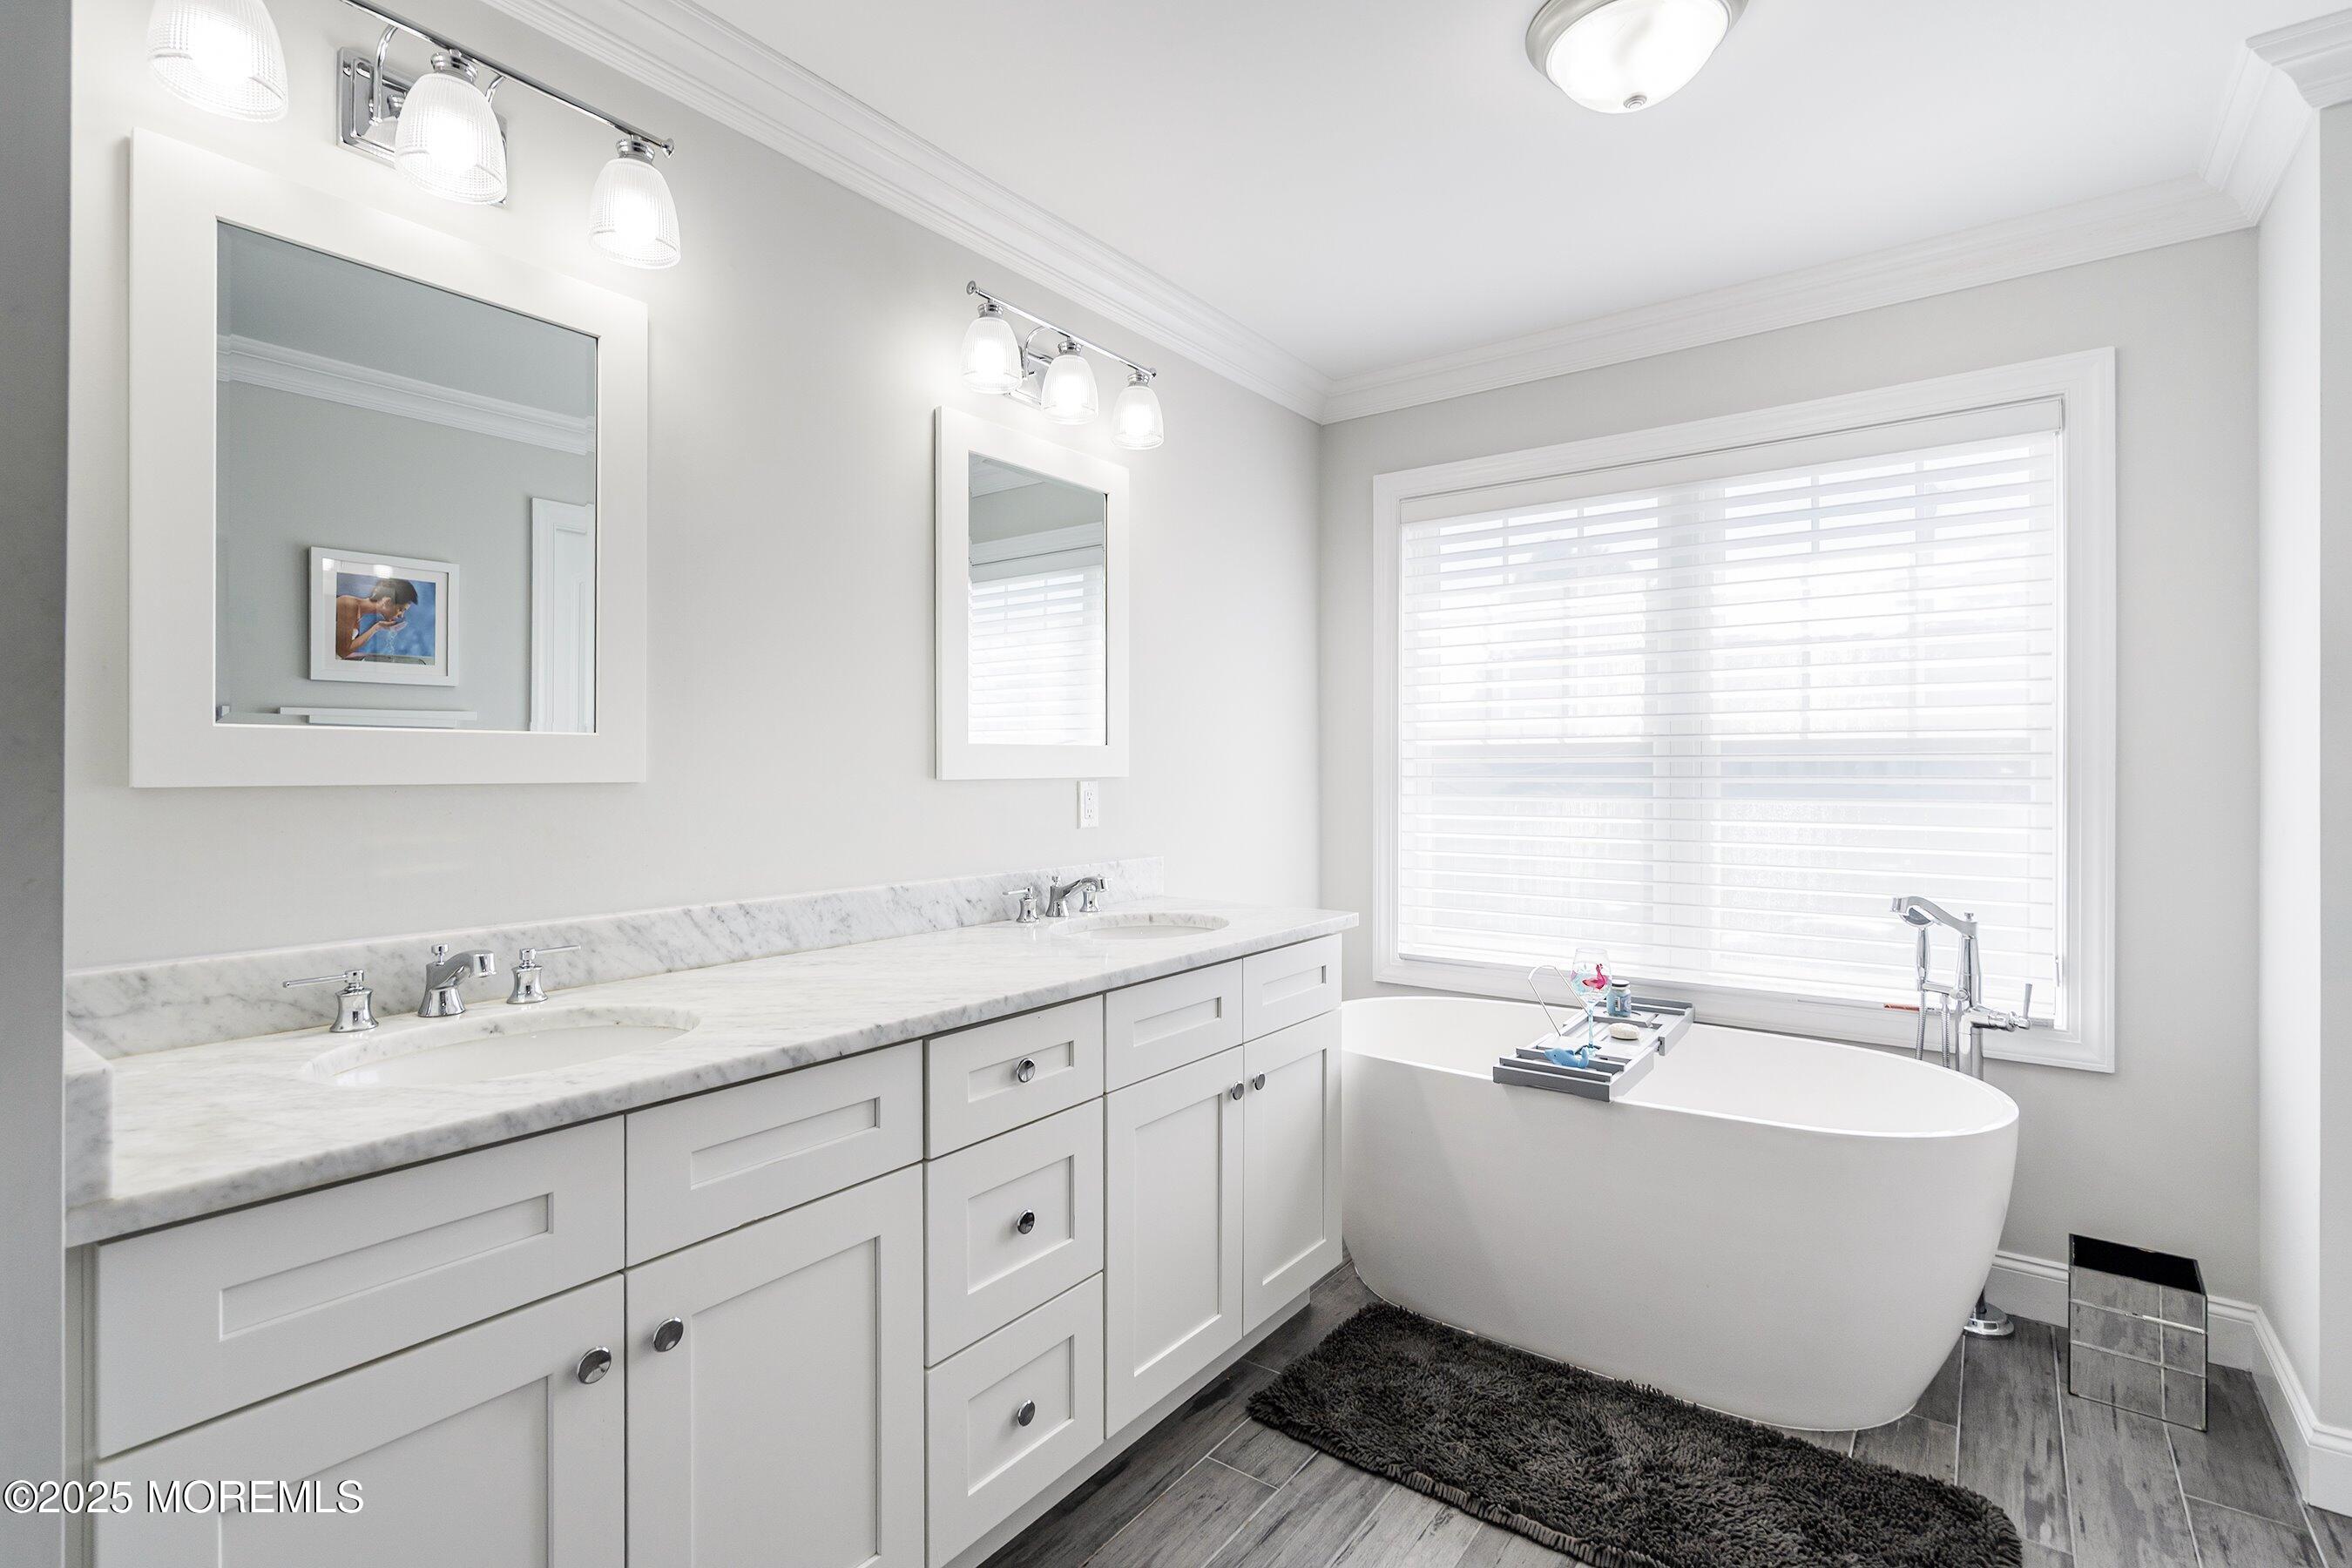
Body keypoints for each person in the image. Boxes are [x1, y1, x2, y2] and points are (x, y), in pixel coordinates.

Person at [335, 578, 419, 661]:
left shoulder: (358, 613)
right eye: (401, 609)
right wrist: (377, 627)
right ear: (387, 602)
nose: (401, 616)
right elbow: (342, 651)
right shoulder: (348, 604)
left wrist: (379, 626)